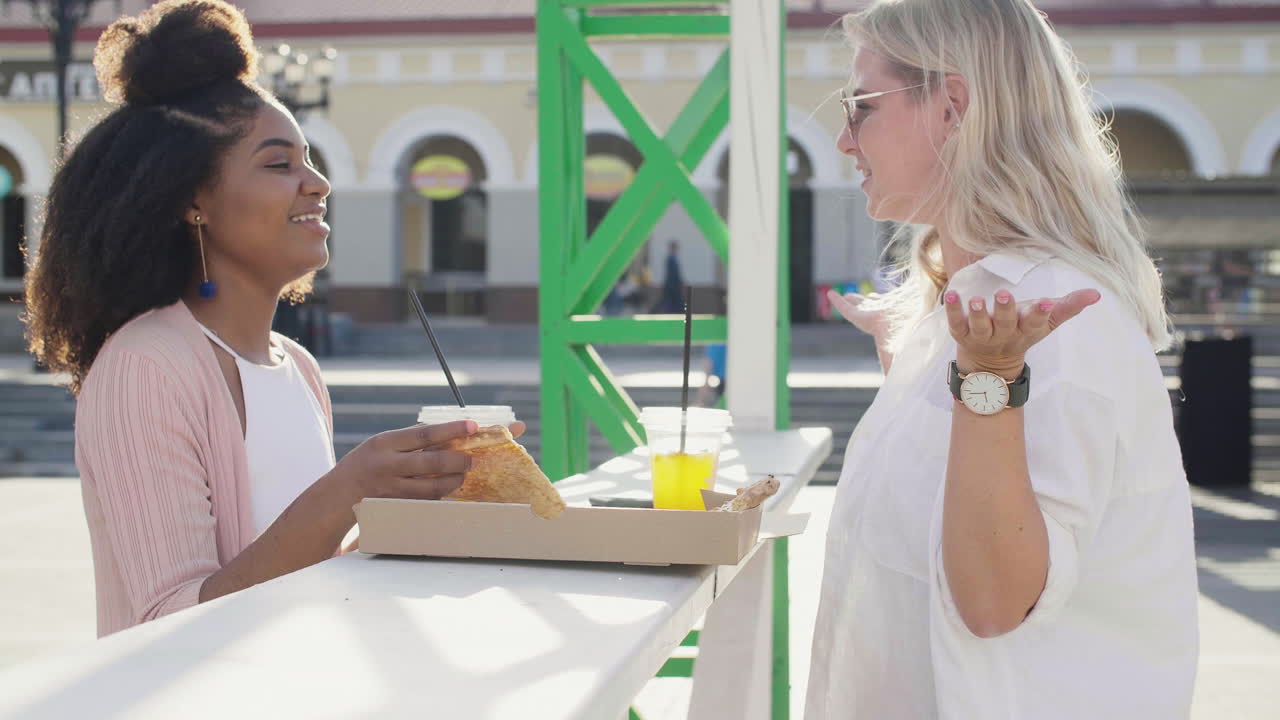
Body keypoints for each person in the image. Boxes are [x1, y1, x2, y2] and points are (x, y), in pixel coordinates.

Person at [22, 0, 522, 638]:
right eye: (279, 164)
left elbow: (295, 579)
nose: (317, 183)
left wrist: (411, 510)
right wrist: (346, 490)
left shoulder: (299, 368)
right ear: (193, 201)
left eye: (310, 160)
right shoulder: (146, 367)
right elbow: (166, 626)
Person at [810, 1, 1198, 717]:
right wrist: (919, 379)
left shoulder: (1053, 323)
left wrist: (985, 383)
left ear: (952, 107)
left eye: (860, 106)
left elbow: (993, 602)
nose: (842, 139)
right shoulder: (977, 309)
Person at [653, 240, 685, 313]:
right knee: (670, 301)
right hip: (672, 285)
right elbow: (672, 274)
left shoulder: (673, 259)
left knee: (671, 302)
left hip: (673, 285)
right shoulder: (670, 259)